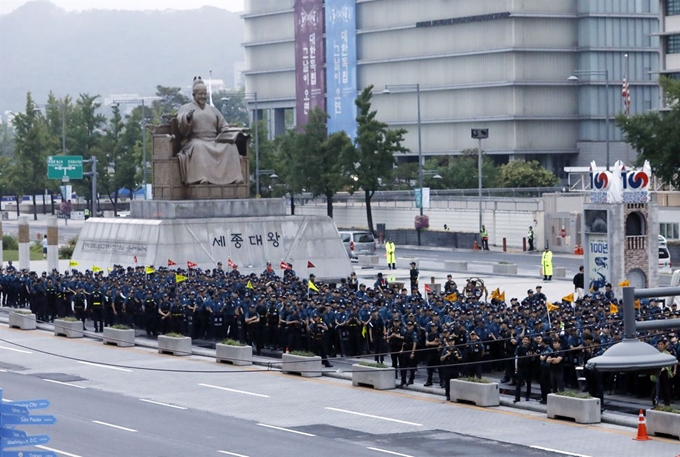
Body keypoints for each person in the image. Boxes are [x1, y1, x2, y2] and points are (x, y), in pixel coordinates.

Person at [176, 77, 244, 185]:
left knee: (230, 147)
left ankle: (235, 177)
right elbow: (180, 125)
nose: (203, 96)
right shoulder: (185, 108)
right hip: (195, 140)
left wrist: (229, 132)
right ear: (194, 95)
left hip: (213, 140)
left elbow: (223, 125)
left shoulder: (213, 110)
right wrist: (187, 118)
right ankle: (202, 178)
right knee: (199, 147)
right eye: (200, 94)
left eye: (204, 94)